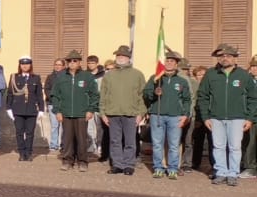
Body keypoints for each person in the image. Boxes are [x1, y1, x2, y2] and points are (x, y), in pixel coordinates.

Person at [195, 43, 257, 187]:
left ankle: (233, 173)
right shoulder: (211, 74)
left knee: (235, 147)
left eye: (229, 56)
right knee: (218, 146)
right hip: (215, 117)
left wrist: (250, 118)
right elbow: (202, 96)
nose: (225, 58)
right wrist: (206, 117)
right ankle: (221, 172)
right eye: (221, 56)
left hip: (237, 118)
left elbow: (253, 98)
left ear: (235, 59)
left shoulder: (243, 75)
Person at [143, 48, 191, 179]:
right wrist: (154, 91)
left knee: (174, 144)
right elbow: (146, 95)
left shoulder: (181, 81)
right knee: (157, 144)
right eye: (167, 61)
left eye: (172, 61)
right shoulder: (155, 78)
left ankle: (173, 168)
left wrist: (185, 115)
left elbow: (187, 100)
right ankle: (158, 167)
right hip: (157, 115)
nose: (169, 63)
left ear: (176, 64)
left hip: (175, 116)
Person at [99, 45, 146, 175]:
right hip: (112, 113)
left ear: (128, 58)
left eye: (123, 56)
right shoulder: (109, 75)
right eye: (118, 56)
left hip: (131, 113)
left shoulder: (137, 74)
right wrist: (103, 113)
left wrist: (141, 113)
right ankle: (117, 165)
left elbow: (142, 96)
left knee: (130, 141)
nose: (120, 58)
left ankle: (129, 165)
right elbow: (103, 95)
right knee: (115, 141)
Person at [50, 49, 99, 171]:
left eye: (75, 61)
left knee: (82, 139)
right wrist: (57, 111)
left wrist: (91, 110)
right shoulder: (61, 77)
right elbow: (55, 95)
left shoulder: (87, 76)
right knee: (67, 139)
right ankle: (67, 161)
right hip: (65, 113)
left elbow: (94, 95)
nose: (72, 63)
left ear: (79, 63)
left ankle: (82, 162)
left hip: (82, 113)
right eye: (69, 61)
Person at [6, 56, 46, 161]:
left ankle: (28, 153)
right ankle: (21, 153)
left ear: (30, 65)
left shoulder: (36, 78)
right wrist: (8, 108)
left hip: (31, 110)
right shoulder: (14, 77)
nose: (25, 66)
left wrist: (41, 109)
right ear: (20, 65)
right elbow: (10, 94)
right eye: (23, 64)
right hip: (18, 109)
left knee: (30, 133)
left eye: (27, 64)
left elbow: (39, 95)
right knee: (19, 132)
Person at [188, 63, 215, 174]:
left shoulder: (211, 86)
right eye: (198, 75)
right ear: (195, 76)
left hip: (210, 118)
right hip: (197, 118)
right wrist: (198, 119)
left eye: (203, 74)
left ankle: (214, 164)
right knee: (197, 142)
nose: (201, 77)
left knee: (212, 142)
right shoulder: (193, 86)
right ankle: (195, 162)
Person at [43, 58, 65, 153]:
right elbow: (46, 89)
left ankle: (64, 145)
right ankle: (53, 145)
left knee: (65, 126)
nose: (57, 66)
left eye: (59, 64)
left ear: (64, 66)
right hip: (52, 104)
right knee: (54, 125)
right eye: (56, 64)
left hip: (65, 104)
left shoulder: (67, 76)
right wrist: (52, 98)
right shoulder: (50, 77)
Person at [242, 54, 257, 178]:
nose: (255, 69)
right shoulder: (246, 80)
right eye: (252, 66)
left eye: (256, 66)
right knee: (249, 143)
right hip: (250, 116)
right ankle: (250, 167)